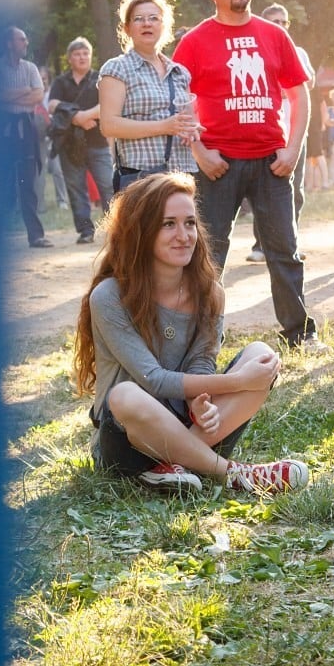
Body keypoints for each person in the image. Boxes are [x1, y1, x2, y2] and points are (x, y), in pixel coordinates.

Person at [74, 172, 310, 493]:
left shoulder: (209, 293)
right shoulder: (109, 296)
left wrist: (199, 405)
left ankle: (174, 468)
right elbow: (153, 380)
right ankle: (232, 473)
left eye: (189, 223)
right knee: (125, 394)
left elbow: (202, 362)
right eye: (168, 224)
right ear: (141, 231)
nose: (183, 235)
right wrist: (237, 382)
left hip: (193, 427)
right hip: (127, 442)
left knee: (262, 356)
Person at [173, 0, 324, 351]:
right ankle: (200, 339)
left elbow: (299, 93)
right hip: (219, 163)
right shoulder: (195, 41)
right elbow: (180, 99)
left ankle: (299, 335)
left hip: (272, 162)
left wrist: (292, 149)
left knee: (285, 250)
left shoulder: (274, 35)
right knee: (208, 252)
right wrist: (201, 152)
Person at [98, 0, 199, 185]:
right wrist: (164, 126)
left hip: (183, 175)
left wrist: (192, 130)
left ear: (164, 26)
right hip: (141, 178)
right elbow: (109, 126)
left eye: (154, 18)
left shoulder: (180, 72)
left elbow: (188, 120)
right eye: (139, 19)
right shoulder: (117, 68)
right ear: (127, 28)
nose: (147, 23)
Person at [246, 3, 314, 263]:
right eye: (275, 20)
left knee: (294, 190)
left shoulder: (298, 52)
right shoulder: (255, 50)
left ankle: (290, 243)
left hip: (294, 131)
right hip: (268, 131)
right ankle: (260, 244)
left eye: (284, 21)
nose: (280, 25)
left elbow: (306, 85)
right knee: (260, 190)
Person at [49, 38, 113, 244]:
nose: (82, 57)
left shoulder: (100, 78)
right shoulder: (60, 81)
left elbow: (107, 105)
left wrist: (83, 116)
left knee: (108, 186)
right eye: (77, 54)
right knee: (76, 189)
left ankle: (116, 229)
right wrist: (78, 117)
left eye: (85, 53)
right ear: (69, 58)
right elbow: (52, 105)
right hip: (69, 144)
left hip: (97, 141)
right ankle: (86, 231)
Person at [0, 26, 53, 248]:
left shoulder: (30, 68)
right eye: (21, 40)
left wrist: (10, 97)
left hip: (26, 128)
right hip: (2, 130)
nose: (26, 43)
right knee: (4, 183)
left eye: (27, 40)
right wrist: (24, 92)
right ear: (10, 43)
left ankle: (36, 235)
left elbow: (38, 96)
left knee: (28, 181)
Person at [35, 66, 68, 212]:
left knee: (57, 170)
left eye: (44, 79)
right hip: (39, 136)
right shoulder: (35, 95)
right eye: (39, 79)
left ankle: (62, 201)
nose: (42, 82)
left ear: (48, 79)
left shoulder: (53, 95)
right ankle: (40, 204)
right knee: (39, 171)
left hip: (54, 136)